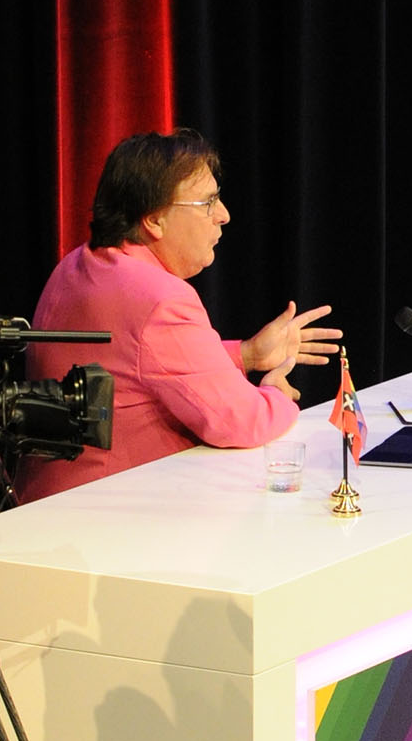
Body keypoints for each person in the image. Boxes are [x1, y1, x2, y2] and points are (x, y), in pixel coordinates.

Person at [18, 129, 342, 501]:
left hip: (47, 504)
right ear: (154, 220)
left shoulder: (79, 263)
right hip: (109, 518)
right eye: (208, 202)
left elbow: (140, 364)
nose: (224, 215)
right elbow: (242, 421)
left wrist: (247, 355)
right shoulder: (161, 299)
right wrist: (275, 394)